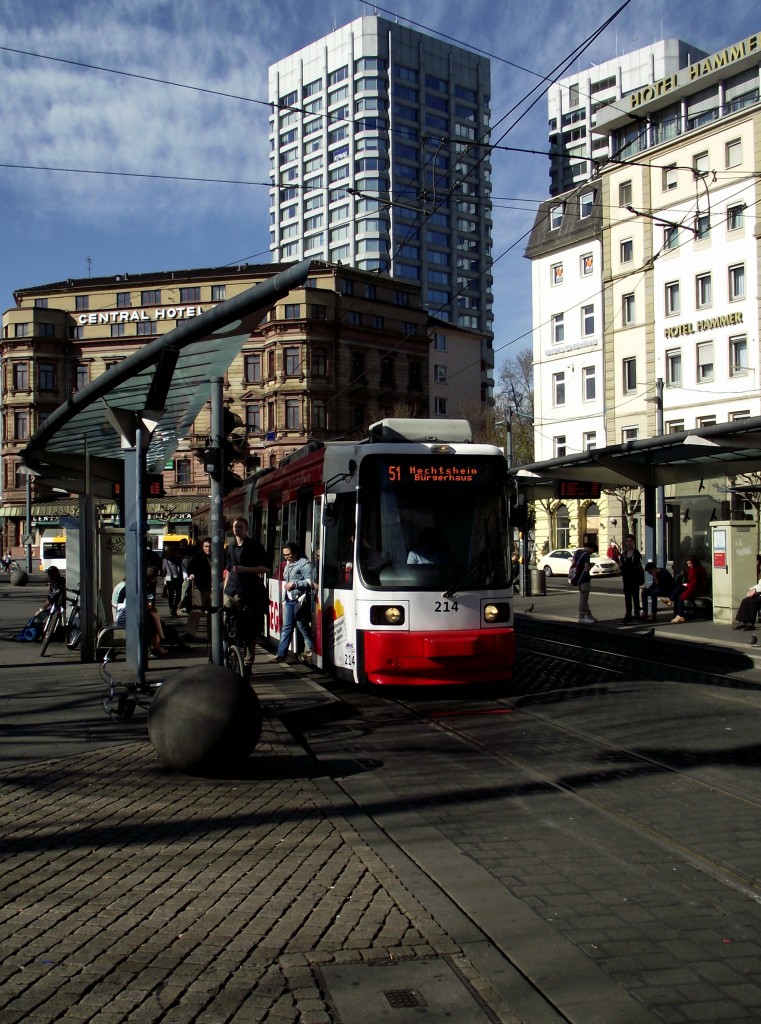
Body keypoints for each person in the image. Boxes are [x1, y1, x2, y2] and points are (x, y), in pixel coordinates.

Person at [223, 517, 270, 669]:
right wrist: (225, 589)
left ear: (246, 529)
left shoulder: (255, 546)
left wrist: (245, 569)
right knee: (227, 620)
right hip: (231, 591)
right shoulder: (230, 547)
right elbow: (228, 570)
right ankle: (231, 651)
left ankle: (248, 662)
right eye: (235, 527)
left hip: (249, 592)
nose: (237, 529)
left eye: (240, 527)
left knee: (249, 627)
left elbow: (265, 568)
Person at [269, 541, 314, 664]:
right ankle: (281, 654)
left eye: (289, 554)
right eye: (284, 555)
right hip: (289, 599)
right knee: (289, 626)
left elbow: (311, 581)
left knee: (301, 625)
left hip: (300, 599)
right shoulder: (288, 565)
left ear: (295, 553)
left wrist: (295, 584)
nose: (286, 557)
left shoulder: (304, 564)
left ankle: (313, 648)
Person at [669, 555, 708, 624]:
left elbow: (695, 583)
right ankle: (679, 613)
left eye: (690, 564)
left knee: (680, 594)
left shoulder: (697, 570)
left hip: (697, 589)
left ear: (694, 563)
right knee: (679, 592)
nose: (688, 565)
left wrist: (686, 584)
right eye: (688, 564)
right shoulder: (692, 569)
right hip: (693, 588)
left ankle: (672, 603)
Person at [619, 534, 644, 624]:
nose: (629, 543)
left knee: (635, 598)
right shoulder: (623, 555)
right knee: (627, 598)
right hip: (626, 580)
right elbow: (622, 566)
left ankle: (637, 615)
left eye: (630, 541)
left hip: (635, 579)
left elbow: (637, 566)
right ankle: (628, 615)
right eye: (627, 541)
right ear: (625, 543)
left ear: (633, 542)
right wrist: (622, 568)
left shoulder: (636, 553)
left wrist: (625, 567)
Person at [574, 540, 597, 624]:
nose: (592, 553)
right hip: (584, 579)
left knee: (584, 597)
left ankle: (588, 615)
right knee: (583, 597)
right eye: (592, 551)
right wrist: (591, 565)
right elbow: (586, 569)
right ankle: (582, 616)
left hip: (578, 578)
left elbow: (574, 564)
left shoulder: (577, 552)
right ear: (591, 548)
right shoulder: (586, 555)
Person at [161, 546, 183, 616]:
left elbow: (163, 570)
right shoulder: (177, 559)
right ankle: (174, 608)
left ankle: (171, 608)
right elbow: (179, 569)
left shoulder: (165, 560)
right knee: (178, 594)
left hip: (168, 577)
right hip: (176, 577)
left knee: (171, 594)